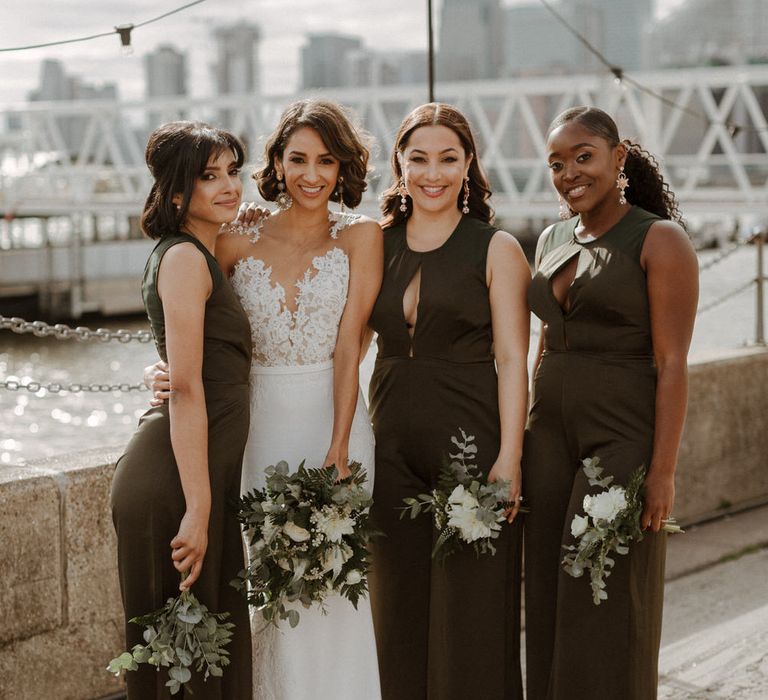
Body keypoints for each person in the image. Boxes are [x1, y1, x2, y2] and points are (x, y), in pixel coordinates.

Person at [147, 99, 384, 699]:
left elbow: (350, 346)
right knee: (271, 594)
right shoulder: (234, 242)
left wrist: (338, 444)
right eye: (297, 158)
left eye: (326, 160)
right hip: (258, 430)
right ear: (276, 162)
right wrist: (166, 372)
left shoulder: (361, 237)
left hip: (337, 423)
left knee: (334, 590)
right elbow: (206, 334)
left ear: (342, 167)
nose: (311, 174)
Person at [523, 106, 699, 700]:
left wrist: (664, 472)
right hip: (547, 437)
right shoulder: (550, 238)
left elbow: (673, 364)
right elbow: (544, 344)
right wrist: (523, 433)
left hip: (621, 436)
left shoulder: (659, 239)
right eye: (556, 163)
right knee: (548, 590)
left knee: (602, 590)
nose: (569, 172)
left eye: (583, 156)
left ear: (618, 157)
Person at [366, 103, 530, 700]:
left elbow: (513, 359)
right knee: (396, 604)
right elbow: (337, 343)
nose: (432, 173)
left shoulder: (497, 248)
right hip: (388, 447)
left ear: (468, 166)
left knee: (473, 610)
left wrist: (510, 457)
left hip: (472, 444)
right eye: (418, 159)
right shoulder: (373, 245)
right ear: (400, 166)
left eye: (448, 159)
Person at [111, 121, 253, 699]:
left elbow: (182, 361)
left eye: (233, 172)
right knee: (179, 664)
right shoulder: (186, 260)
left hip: (194, 469)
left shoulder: (195, 252)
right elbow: (189, 388)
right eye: (209, 176)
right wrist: (198, 508)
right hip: (175, 480)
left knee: (198, 655)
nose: (229, 186)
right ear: (175, 193)